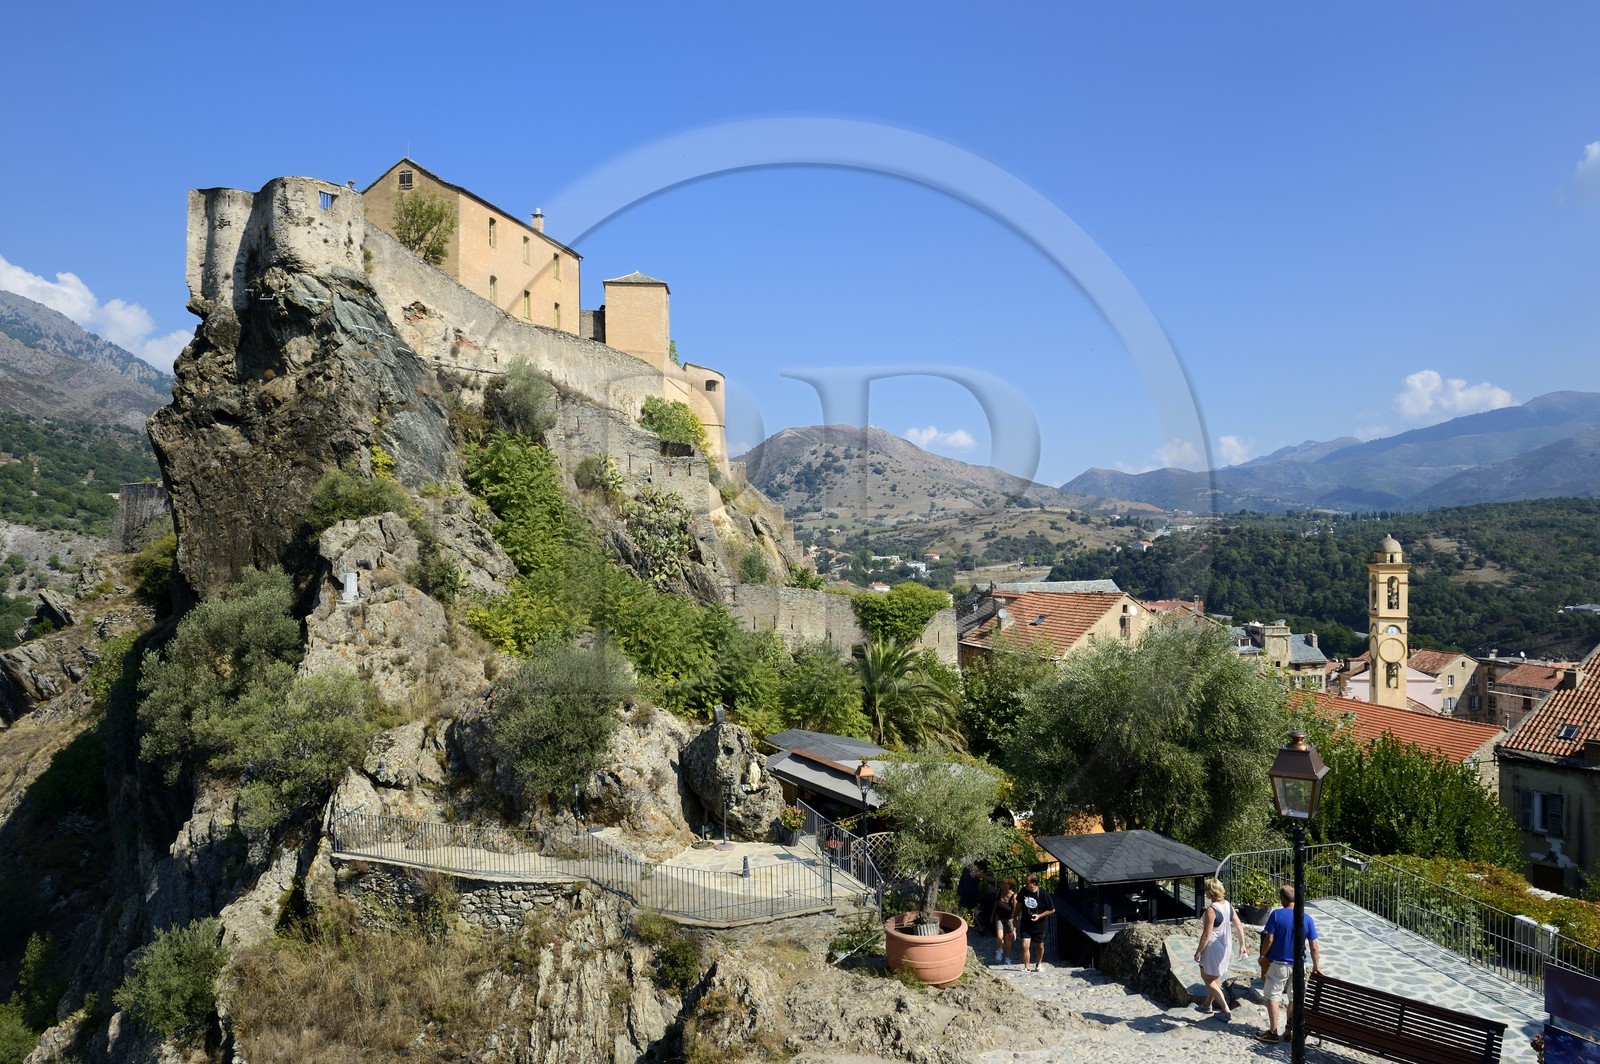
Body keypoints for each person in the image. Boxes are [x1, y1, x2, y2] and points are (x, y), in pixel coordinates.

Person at [1256, 885, 1322, 1043]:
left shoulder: (1276, 915)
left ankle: (1272, 1032)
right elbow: (1313, 946)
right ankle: (1288, 1031)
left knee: (1273, 996)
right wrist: (1316, 966)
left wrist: (1263, 955)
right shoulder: (1306, 918)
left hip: (1279, 963)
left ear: (1283, 899)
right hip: (1300, 966)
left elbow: (1269, 939)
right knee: (1294, 998)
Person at [1192, 878, 1245, 1021]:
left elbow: (1207, 934)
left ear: (1210, 892)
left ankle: (1225, 1010)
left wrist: (1198, 951)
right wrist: (1242, 945)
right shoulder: (1228, 905)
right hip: (1226, 945)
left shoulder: (1211, 910)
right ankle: (1207, 1004)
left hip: (1213, 947)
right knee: (1216, 976)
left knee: (1207, 978)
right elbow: (1239, 925)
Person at [1013, 873, 1055, 972]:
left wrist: (1039, 916)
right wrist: (1014, 916)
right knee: (1024, 945)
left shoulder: (1043, 894)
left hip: (1039, 924)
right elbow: (1018, 904)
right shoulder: (1023, 891)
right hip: (1026, 922)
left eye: (1027, 883)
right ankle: (1027, 967)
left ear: (1034, 883)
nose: (1025, 884)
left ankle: (1038, 964)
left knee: (1039, 946)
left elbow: (1052, 909)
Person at [990, 877, 1018, 964]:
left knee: (1008, 940)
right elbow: (996, 904)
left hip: (1010, 919)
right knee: (999, 936)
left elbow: (1016, 914)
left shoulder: (1014, 897)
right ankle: (999, 949)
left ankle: (1007, 958)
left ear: (1008, 886)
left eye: (1003, 884)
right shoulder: (999, 893)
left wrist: (1014, 929)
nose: (1001, 885)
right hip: (1000, 917)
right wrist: (992, 915)